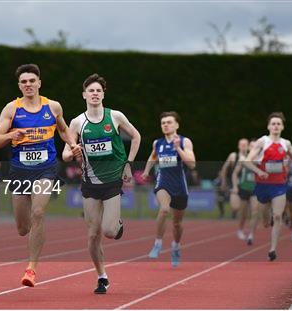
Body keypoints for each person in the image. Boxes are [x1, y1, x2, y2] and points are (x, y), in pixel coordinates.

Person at [0, 64, 81, 287]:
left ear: (39, 82)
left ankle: (31, 269)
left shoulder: (53, 107)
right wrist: (12, 134)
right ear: (19, 86)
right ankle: (33, 234)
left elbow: (62, 128)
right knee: (23, 228)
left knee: (39, 212)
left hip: (46, 168)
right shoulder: (11, 109)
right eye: (24, 82)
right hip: (20, 170)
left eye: (32, 81)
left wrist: (72, 144)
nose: (28, 85)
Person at [63, 73, 141, 294]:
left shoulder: (115, 116)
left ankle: (117, 226)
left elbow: (136, 136)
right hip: (89, 182)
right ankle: (102, 276)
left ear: (103, 94)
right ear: (84, 95)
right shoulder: (78, 122)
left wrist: (129, 164)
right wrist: (73, 150)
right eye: (91, 90)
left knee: (108, 230)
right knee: (92, 234)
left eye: (98, 90)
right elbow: (66, 153)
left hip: (112, 180)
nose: (95, 94)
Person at [244, 112, 292, 261]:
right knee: (265, 222)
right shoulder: (262, 142)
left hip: (279, 185)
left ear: (282, 127)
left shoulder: (286, 143)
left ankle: (272, 249)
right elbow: (247, 161)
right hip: (263, 185)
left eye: (278, 124)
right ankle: (267, 218)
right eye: (273, 123)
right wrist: (259, 171)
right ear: (269, 126)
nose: (276, 126)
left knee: (277, 216)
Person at [142, 112, 196, 268]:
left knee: (177, 223)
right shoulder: (157, 143)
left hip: (180, 186)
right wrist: (146, 171)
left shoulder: (185, 142)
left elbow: (192, 164)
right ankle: (158, 242)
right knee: (164, 209)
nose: (165, 125)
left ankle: (176, 246)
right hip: (163, 182)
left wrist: (178, 148)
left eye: (169, 122)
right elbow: (153, 157)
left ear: (176, 125)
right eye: (163, 123)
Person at [231, 139, 259, 244]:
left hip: (255, 189)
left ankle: (251, 235)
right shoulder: (243, 159)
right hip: (243, 188)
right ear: (248, 148)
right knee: (243, 214)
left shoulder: (261, 160)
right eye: (251, 146)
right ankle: (240, 229)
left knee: (255, 211)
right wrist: (235, 186)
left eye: (255, 146)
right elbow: (234, 174)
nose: (253, 148)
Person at [218, 138, 249, 219]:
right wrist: (223, 182)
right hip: (233, 184)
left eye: (245, 145)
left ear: (248, 146)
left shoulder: (250, 157)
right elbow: (224, 169)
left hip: (246, 184)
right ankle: (228, 213)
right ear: (238, 146)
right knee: (234, 206)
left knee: (245, 208)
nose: (243, 147)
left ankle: (237, 215)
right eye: (241, 145)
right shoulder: (233, 156)